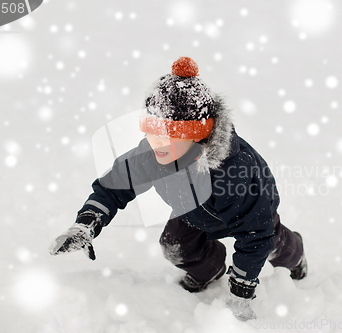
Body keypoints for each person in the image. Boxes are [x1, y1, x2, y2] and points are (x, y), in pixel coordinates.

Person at [49, 57, 308, 321]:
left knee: (271, 244)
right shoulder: (153, 153)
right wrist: (86, 224)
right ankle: (210, 268)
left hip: (250, 214)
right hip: (193, 211)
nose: (157, 141)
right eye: (151, 130)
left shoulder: (231, 171)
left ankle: (296, 254)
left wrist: (240, 295)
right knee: (174, 245)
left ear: (197, 133)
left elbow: (254, 237)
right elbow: (115, 185)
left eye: (170, 133)